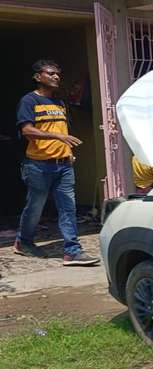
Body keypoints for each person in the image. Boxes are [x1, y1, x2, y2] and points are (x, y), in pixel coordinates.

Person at [13, 59, 100, 266]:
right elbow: (27, 130)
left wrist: (67, 149)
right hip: (38, 165)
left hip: (64, 165)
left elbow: (63, 131)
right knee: (35, 206)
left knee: (68, 208)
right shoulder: (29, 101)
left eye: (57, 74)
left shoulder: (60, 103)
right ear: (38, 77)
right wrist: (58, 138)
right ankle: (23, 242)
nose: (56, 77)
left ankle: (72, 251)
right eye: (51, 73)